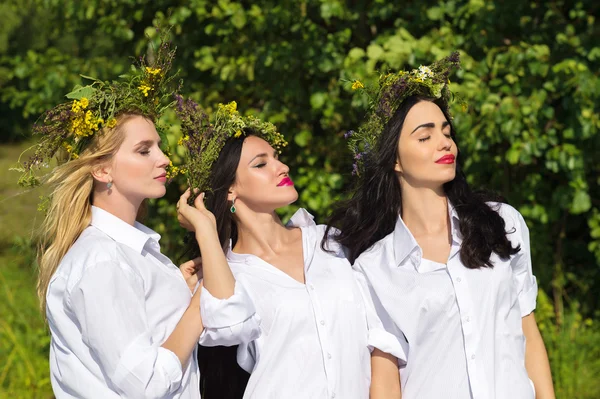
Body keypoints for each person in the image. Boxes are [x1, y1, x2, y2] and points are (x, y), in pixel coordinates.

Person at [325, 52, 556, 399]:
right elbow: (385, 382)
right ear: (395, 160)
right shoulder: (374, 268)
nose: (445, 142)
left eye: (446, 132)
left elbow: (528, 332)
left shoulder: (502, 223)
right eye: (425, 136)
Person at [174, 98, 404, 399]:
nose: (282, 166)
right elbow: (228, 326)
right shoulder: (225, 278)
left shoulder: (332, 243)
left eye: (277, 157)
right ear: (230, 189)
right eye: (261, 164)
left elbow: (382, 337)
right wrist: (205, 229)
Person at [20, 38, 206, 398]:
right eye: (144, 150)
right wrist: (204, 301)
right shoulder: (102, 260)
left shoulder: (134, 253)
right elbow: (146, 384)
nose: (165, 159)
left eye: (160, 146)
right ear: (102, 170)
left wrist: (176, 291)